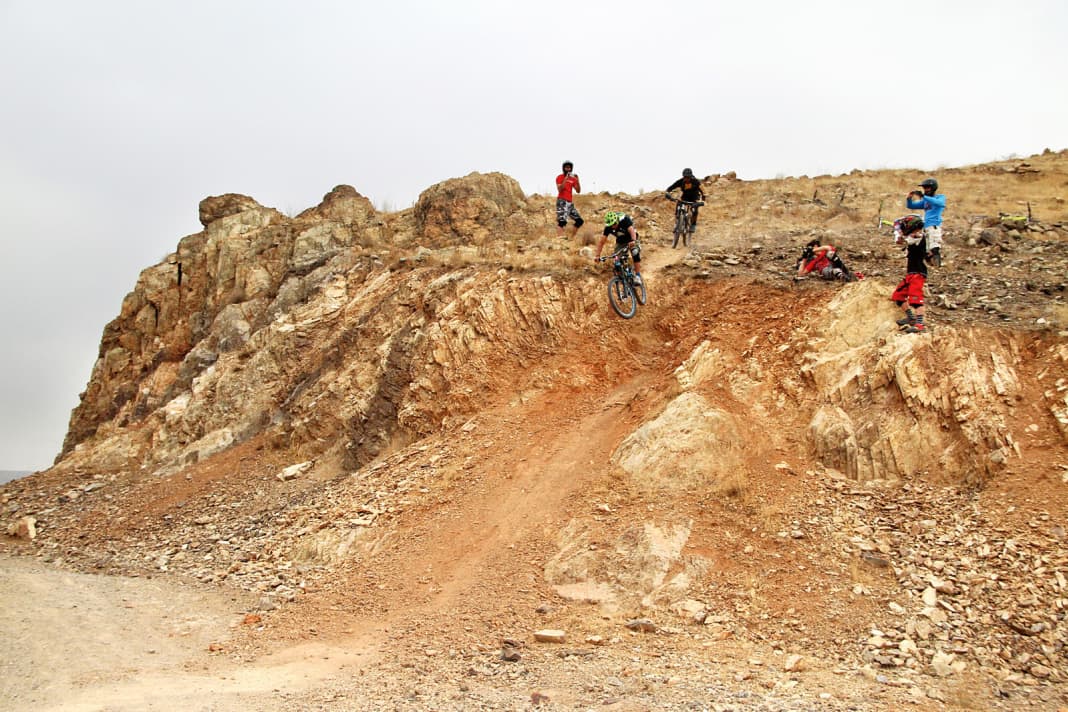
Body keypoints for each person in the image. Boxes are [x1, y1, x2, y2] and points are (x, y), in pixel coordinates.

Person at [890, 213, 937, 333]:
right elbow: (902, 242)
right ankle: (911, 318)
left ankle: (920, 324)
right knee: (898, 296)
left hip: (918, 273)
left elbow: (909, 240)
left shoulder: (919, 236)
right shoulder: (913, 236)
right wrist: (899, 236)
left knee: (916, 299)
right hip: (910, 273)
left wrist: (900, 235)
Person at [906, 177, 946, 267]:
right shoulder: (925, 201)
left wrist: (924, 197)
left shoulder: (940, 197)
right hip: (926, 228)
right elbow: (911, 206)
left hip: (934, 226)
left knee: (934, 248)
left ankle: (938, 267)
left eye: (927, 187)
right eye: (924, 188)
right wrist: (909, 198)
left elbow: (939, 203)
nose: (926, 190)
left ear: (933, 188)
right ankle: (932, 268)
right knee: (926, 251)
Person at [595, 211, 643, 286]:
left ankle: (637, 276)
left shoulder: (624, 219)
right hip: (621, 241)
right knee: (616, 260)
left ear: (617, 220)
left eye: (614, 224)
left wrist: (633, 241)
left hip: (631, 237)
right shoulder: (608, 227)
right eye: (611, 225)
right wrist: (597, 255)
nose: (613, 226)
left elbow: (631, 231)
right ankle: (622, 280)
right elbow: (601, 242)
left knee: (635, 252)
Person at [665, 168, 705, 233]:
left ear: (691, 176)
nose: (686, 179)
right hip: (685, 197)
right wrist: (667, 193)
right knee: (679, 203)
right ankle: (677, 223)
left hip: (694, 197)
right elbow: (671, 187)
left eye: (688, 177)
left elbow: (703, 189)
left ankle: (693, 225)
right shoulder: (681, 181)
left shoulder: (696, 181)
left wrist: (702, 200)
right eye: (685, 177)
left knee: (695, 209)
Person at [555, 160, 584, 238]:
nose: (568, 169)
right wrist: (566, 179)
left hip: (569, 203)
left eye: (569, 168)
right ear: (563, 168)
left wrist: (577, 181)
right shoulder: (559, 177)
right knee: (562, 221)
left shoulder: (573, 179)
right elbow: (560, 189)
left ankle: (571, 238)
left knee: (579, 221)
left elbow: (578, 191)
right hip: (561, 201)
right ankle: (559, 239)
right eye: (566, 167)